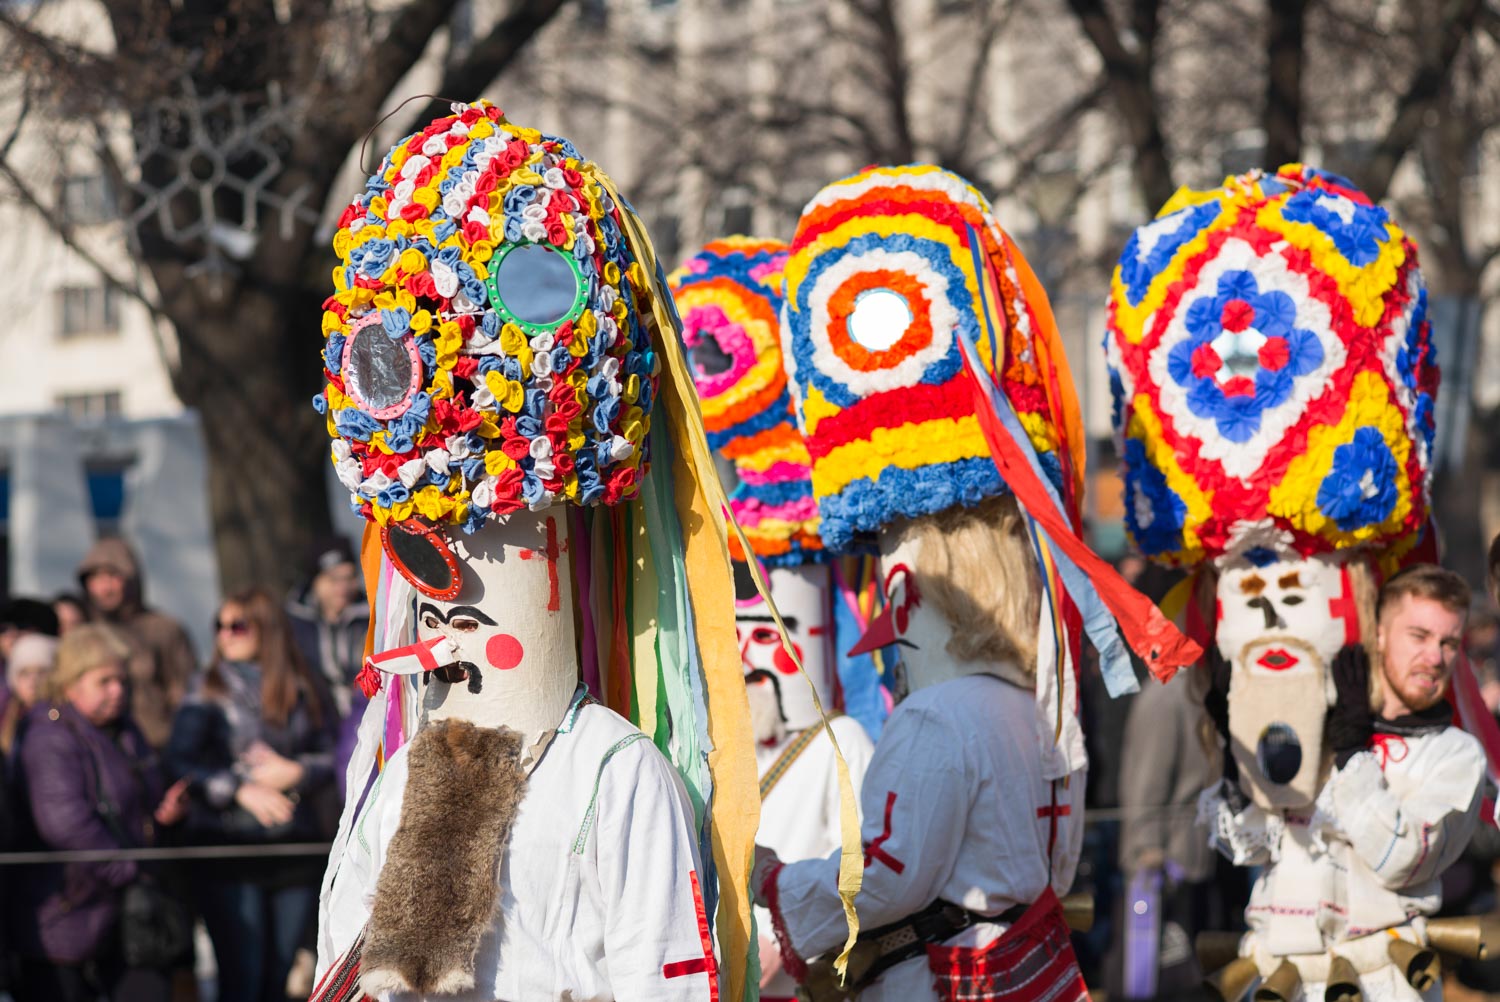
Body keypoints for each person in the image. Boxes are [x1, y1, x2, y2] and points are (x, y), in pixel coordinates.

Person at [1207, 565, 1483, 1001]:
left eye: (1449, 642)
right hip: (1280, 981)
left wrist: (1355, 755)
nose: (1435, 658)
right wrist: (1236, 752)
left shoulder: (1457, 754)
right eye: (1419, 636)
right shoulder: (1318, 731)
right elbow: (1250, 846)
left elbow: (1402, 859)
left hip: (1384, 981)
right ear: (1377, 635)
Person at [166, 588, 336, 1002]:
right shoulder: (206, 687)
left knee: (280, 973)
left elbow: (340, 752)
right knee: (243, 974)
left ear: (267, 630)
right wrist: (240, 788)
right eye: (219, 626)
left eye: (237, 625)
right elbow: (179, 761)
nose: (226, 635)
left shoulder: (304, 682)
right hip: (229, 847)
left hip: (293, 844)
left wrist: (298, 771)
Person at [8, 623, 190, 1002]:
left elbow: (137, 801)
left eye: (122, 681)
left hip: (126, 914)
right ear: (72, 682)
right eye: (104, 681)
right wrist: (128, 871)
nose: (118, 691)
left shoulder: (125, 730)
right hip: (67, 912)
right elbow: (64, 823)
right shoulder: (48, 736)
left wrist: (163, 817)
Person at [77, 539, 197, 748]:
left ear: (132, 579)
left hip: (159, 747)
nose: (105, 588)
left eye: (113, 576)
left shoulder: (163, 629)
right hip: (100, 748)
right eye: (95, 578)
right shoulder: (84, 635)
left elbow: (186, 694)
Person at [285, 537, 369, 721]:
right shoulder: (293, 624)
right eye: (333, 579)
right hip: (317, 722)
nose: (342, 587)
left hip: (365, 717)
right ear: (315, 581)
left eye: (349, 577)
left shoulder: (371, 616)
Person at [1, 632, 58, 756]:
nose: (33, 681)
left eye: (41, 672)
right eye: (25, 673)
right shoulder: (8, 716)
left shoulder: (57, 718)